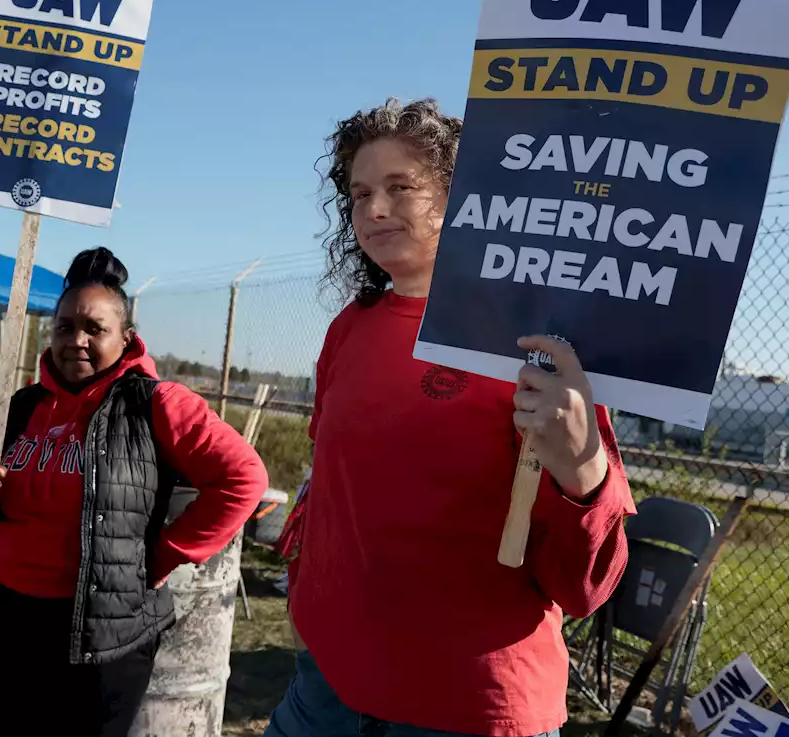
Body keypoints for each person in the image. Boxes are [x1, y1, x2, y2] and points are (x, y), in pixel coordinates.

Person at [265, 99, 636, 737]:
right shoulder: (349, 330)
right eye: (358, 193)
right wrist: (307, 589)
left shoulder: (536, 342)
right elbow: (335, 491)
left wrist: (584, 472)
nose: (373, 210)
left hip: (468, 706)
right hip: (327, 689)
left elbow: (582, 590)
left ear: (464, 199)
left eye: (400, 187)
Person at [0, 248, 268, 737]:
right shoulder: (19, 407)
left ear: (126, 337)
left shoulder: (155, 404)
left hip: (95, 631)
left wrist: (164, 555)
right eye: (65, 327)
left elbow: (244, 479)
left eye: (95, 329)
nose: (77, 340)